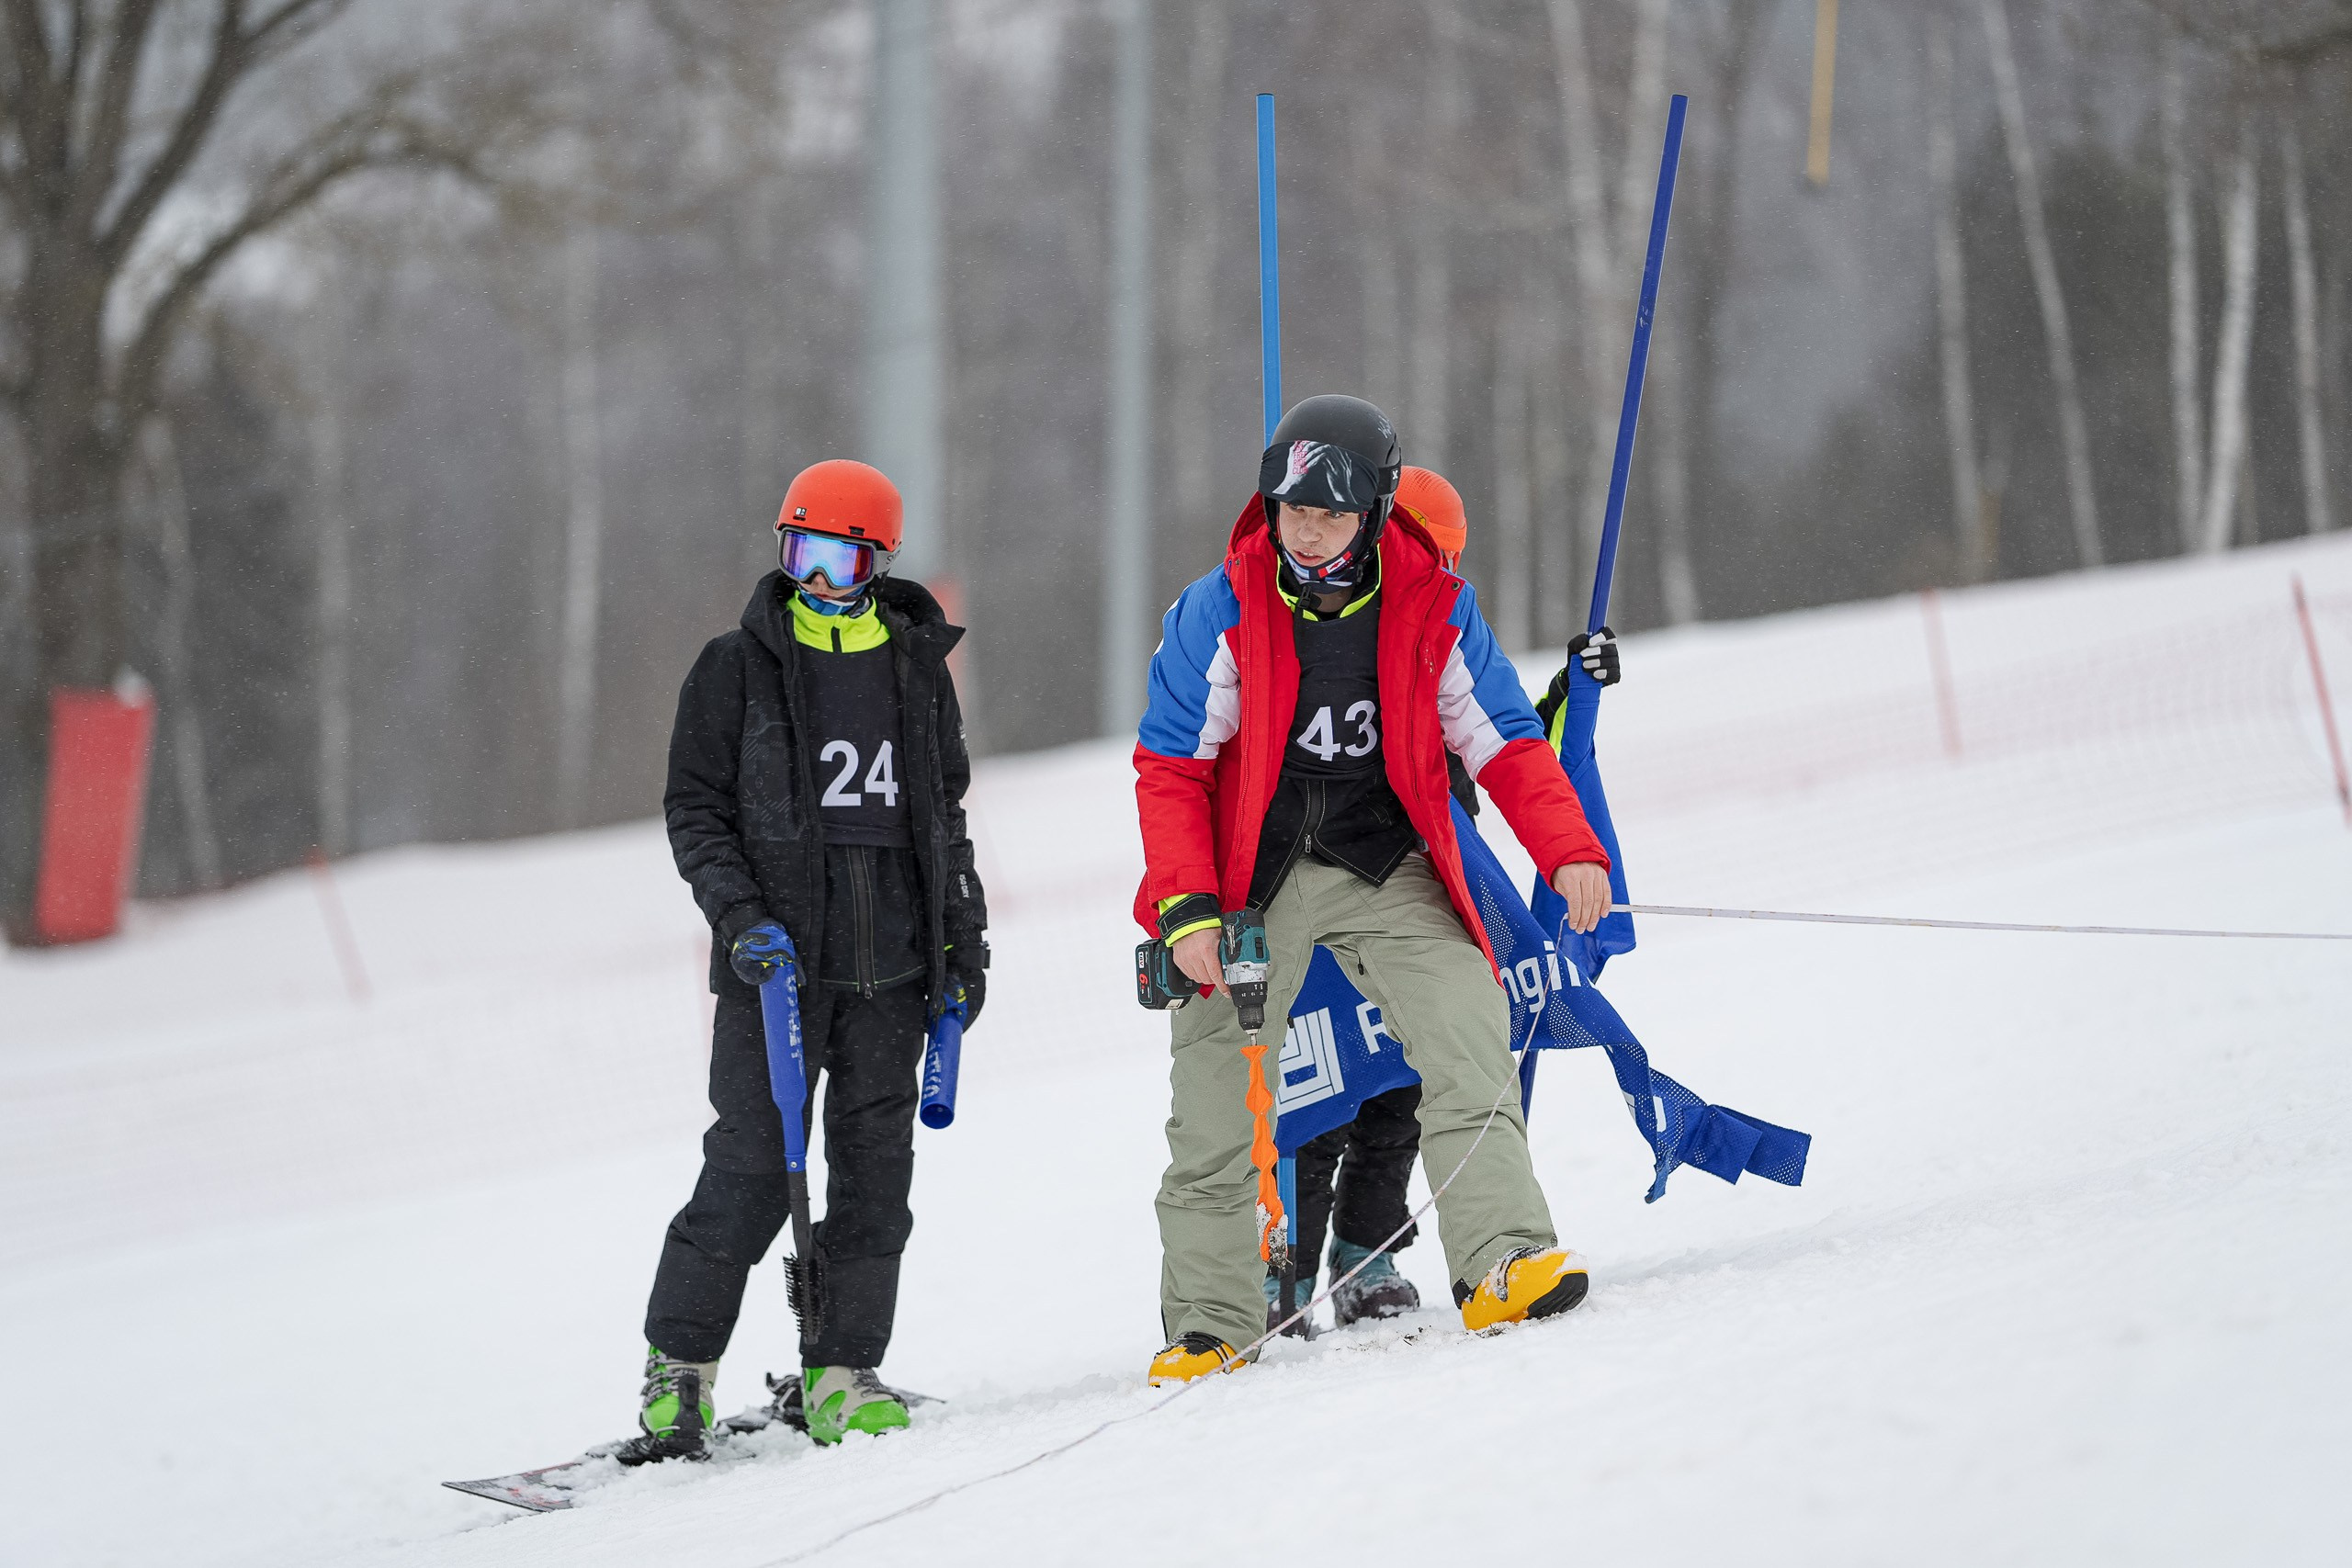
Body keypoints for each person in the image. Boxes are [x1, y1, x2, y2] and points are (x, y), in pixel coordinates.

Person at [1133, 396, 1614, 1384]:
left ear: (1378, 511)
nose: (1304, 531)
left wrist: (1569, 848)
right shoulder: (1218, 608)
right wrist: (1184, 909)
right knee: (1218, 1091)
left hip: (1379, 858)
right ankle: (1211, 1322)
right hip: (1248, 878)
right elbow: (1172, 766)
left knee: (1464, 1018)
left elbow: (1507, 741)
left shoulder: (1431, 604)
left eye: (1328, 514)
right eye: (1289, 510)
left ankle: (1500, 1261)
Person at [626, 457, 989, 1456]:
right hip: (777, 969)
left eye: (836, 556)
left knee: (875, 1178)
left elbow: (944, 819)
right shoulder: (734, 668)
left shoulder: (915, 670)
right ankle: (680, 1365)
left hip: (894, 973)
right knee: (747, 1169)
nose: (816, 575)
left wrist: (964, 945)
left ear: (874, 561)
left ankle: (839, 1370)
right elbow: (695, 811)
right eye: (799, 552)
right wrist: (741, 918)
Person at [1274, 466, 1623, 1332]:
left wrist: (1571, 697)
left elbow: (1504, 743)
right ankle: (1281, 1270)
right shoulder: (1328, 642)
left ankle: (1369, 1251)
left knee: (1409, 1077)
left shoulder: (1444, 632)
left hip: (1423, 886)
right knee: (1322, 1086)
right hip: (1320, 889)